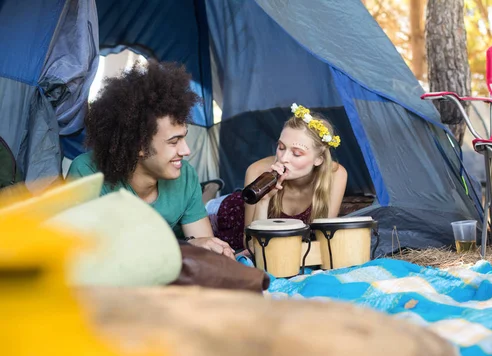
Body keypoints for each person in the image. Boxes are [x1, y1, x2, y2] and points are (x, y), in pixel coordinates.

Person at [67, 60, 234, 259]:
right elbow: (90, 259)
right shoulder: (87, 174)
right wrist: (184, 247)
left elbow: (206, 252)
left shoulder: (185, 176)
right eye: (174, 141)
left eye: (184, 136)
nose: (186, 150)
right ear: (139, 145)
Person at [214, 103, 347, 250]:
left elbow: (324, 241)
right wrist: (263, 201)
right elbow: (252, 246)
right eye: (281, 147)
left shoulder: (335, 175)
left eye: (296, 153)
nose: (283, 158)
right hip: (230, 214)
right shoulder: (257, 171)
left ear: (319, 159)